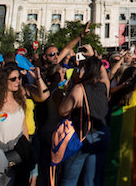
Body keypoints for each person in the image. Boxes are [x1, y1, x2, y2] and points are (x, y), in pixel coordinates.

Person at [57, 53, 110, 186]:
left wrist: (68, 91)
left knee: (70, 179)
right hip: (102, 134)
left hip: (84, 136)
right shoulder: (104, 86)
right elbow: (104, 76)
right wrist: (94, 57)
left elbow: (63, 111)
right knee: (92, 179)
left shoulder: (79, 89)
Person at [0, 62, 33, 186]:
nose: (18, 81)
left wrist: (27, 149)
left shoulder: (20, 99)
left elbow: (23, 126)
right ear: (4, 81)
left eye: (19, 78)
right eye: (13, 79)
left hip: (18, 150)